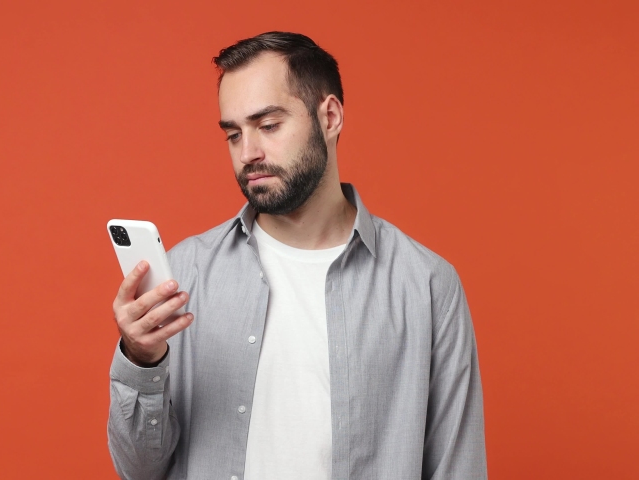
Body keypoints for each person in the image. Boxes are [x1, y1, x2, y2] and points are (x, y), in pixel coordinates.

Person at [107, 31, 487, 480]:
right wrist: (140, 359)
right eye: (233, 134)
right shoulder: (186, 274)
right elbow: (139, 470)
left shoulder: (425, 285)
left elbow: (456, 467)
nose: (248, 153)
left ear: (329, 117)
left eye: (268, 126)